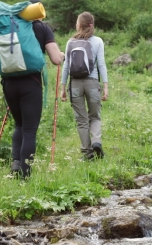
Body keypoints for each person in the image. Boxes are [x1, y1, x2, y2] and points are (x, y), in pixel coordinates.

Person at [4, 0, 64, 178]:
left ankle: (16, 163)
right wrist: (61, 55)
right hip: (31, 84)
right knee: (30, 129)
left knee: (19, 124)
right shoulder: (42, 28)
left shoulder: (9, 26)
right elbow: (56, 59)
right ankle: (25, 174)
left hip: (8, 82)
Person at [60, 12, 109, 161]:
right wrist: (105, 86)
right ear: (91, 24)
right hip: (92, 83)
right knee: (95, 116)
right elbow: (101, 64)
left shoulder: (70, 42)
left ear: (78, 25)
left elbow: (66, 67)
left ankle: (88, 154)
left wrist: (62, 87)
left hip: (75, 84)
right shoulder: (98, 41)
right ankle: (96, 142)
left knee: (81, 120)